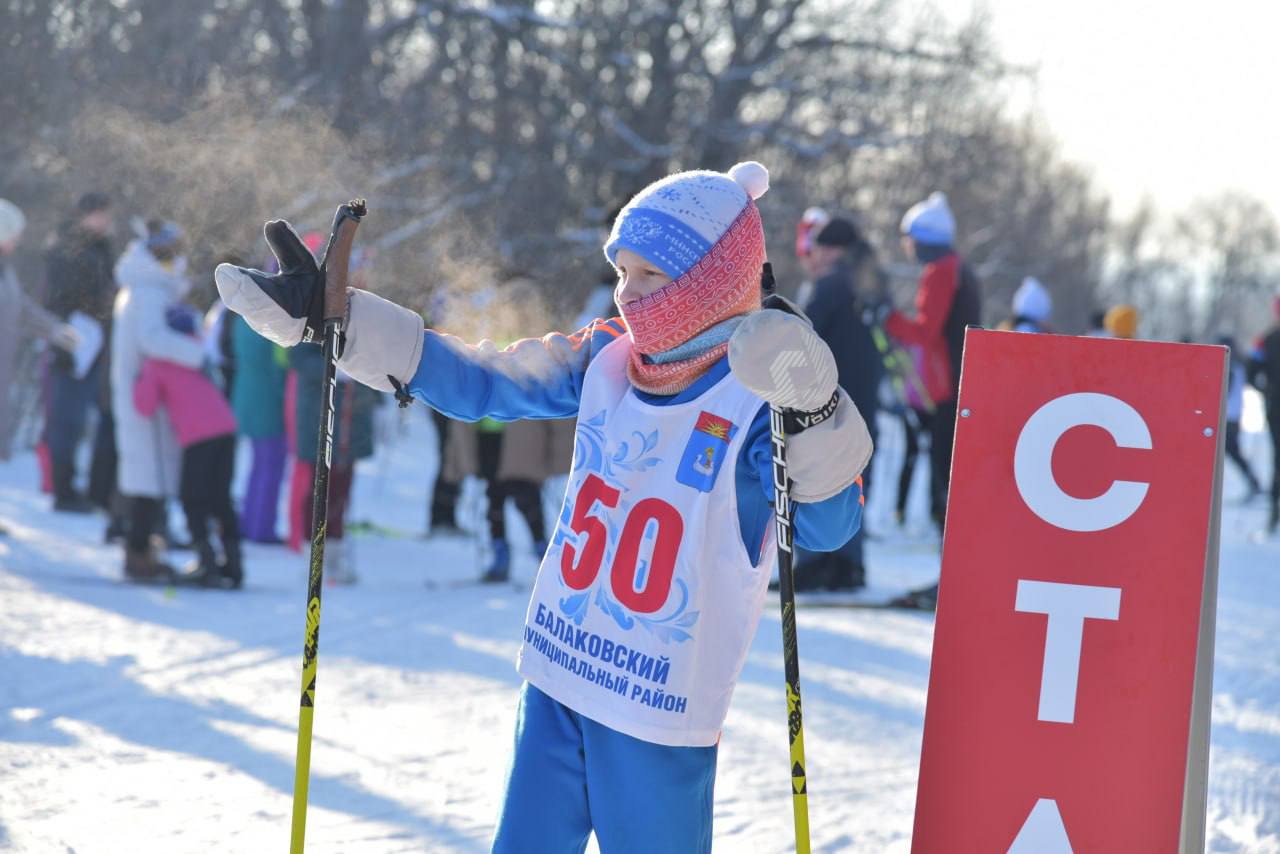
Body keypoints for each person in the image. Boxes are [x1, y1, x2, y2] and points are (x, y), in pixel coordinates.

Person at [216, 161, 871, 852]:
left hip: (655, 707)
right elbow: (485, 379)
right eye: (621, 272)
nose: (627, 294)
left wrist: (814, 413)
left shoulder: (760, 402)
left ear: (709, 281)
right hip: (560, 673)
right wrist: (344, 322)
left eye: (650, 275)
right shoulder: (607, 356)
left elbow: (828, 526)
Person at [111, 220, 205, 581]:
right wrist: (196, 353)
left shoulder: (142, 287)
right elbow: (152, 339)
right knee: (148, 480)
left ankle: (143, 549)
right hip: (145, 399)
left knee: (147, 478)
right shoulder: (148, 291)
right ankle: (138, 555)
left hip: (144, 394)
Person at [794, 215, 884, 591]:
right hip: (865, 398)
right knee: (855, 478)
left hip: (830, 397)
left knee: (817, 475)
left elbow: (803, 333)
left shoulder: (830, 284)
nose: (815, 255)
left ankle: (814, 564)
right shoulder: (872, 282)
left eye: (820, 248)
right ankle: (849, 566)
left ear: (833, 250)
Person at [885, 192, 981, 532]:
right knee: (947, 460)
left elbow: (927, 331)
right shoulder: (960, 268)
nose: (908, 247)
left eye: (910, 239)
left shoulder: (940, 271)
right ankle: (948, 529)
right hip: (961, 376)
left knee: (943, 463)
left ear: (925, 240)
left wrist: (888, 318)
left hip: (946, 384)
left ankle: (950, 537)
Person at [133, 305, 243, 587]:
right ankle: (234, 565)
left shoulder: (159, 360)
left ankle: (207, 563)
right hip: (225, 426)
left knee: (192, 498)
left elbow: (144, 406)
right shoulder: (196, 350)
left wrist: (138, 379)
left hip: (199, 434)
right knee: (221, 499)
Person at [42, 192, 116, 512]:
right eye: (102, 214)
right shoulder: (67, 246)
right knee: (67, 418)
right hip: (72, 341)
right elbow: (61, 295)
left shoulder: (101, 248)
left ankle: (82, 488)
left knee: (84, 418)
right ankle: (63, 489)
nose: (107, 221)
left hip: (96, 343)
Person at [289, 348, 380, 583]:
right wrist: (331, 369)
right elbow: (299, 359)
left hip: (351, 425)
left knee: (341, 492)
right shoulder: (309, 332)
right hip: (319, 420)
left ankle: (335, 556)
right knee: (318, 492)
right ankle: (313, 556)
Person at [0, 200, 80, 465]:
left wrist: (55, 329)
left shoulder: (5, 270)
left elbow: (21, 307)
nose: (18, 240)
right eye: (14, 234)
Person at [229, 311, 289, 543]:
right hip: (268, 402)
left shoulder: (240, 319)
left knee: (257, 466)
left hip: (245, 396)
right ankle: (262, 528)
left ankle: (249, 521)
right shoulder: (273, 323)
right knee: (271, 466)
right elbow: (279, 366)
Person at [1215, 334, 1263, 503]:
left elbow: (1224, 392)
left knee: (1229, 452)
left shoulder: (1230, 367)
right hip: (1233, 416)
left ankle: (1253, 482)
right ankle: (1253, 482)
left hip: (1227, 416)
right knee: (1231, 452)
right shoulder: (1240, 364)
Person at [1248, 298, 1280, 533]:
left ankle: (1274, 514)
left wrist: (1265, 391)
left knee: (1277, 459)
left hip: (1275, 406)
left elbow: (1251, 373)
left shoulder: (1266, 339)